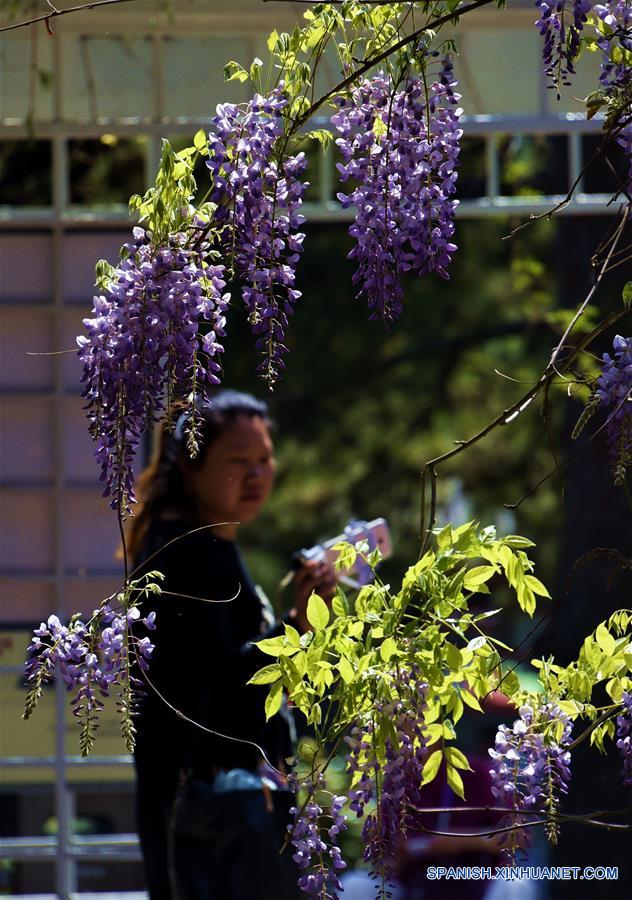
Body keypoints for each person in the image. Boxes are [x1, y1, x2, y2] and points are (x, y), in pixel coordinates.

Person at [127, 390, 337, 900]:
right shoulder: (186, 556)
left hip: (224, 820)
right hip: (208, 826)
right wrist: (295, 629)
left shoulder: (212, 547)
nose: (257, 475)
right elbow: (209, 694)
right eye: (237, 462)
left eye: (265, 460)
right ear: (193, 468)